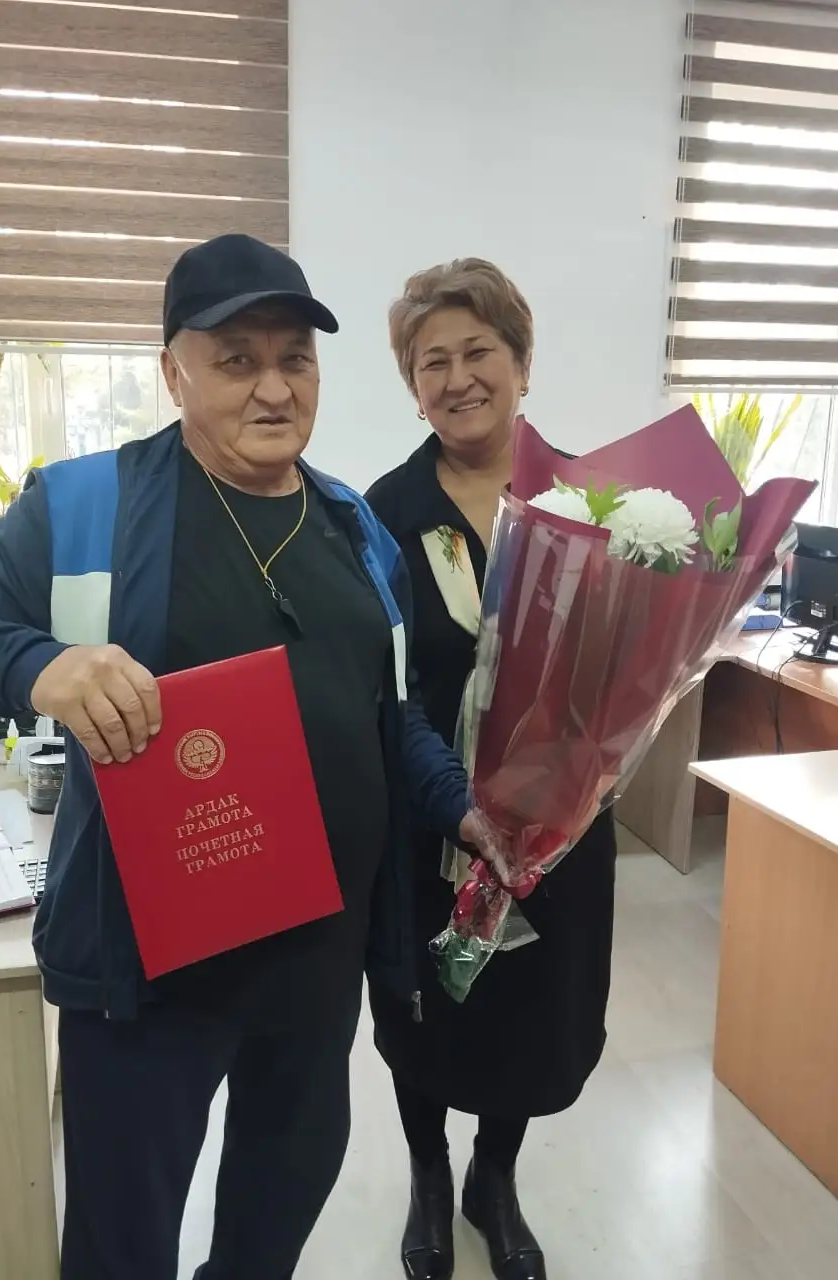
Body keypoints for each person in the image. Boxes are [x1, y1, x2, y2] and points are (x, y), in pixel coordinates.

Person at [0, 234, 482, 1280]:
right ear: (174, 372)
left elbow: (389, 718)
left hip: (317, 954)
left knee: (282, 1198)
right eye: (236, 359)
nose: (273, 388)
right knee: (122, 1238)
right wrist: (43, 665)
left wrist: (461, 805)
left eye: (294, 358)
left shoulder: (353, 525)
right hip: (153, 970)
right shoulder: (90, 503)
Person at [366, 259, 618, 1280]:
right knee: (427, 1009)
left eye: (479, 352)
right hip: (428, 822)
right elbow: (381, 687)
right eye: (433, 362)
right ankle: (429, 1176)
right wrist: (454, 801)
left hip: (559, 825)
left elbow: (625, 661)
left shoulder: (594, 500)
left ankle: (493, 1178)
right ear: (411, 385)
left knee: (529, 1011)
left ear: (521, 363)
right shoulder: (381, 512)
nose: (458, 377)